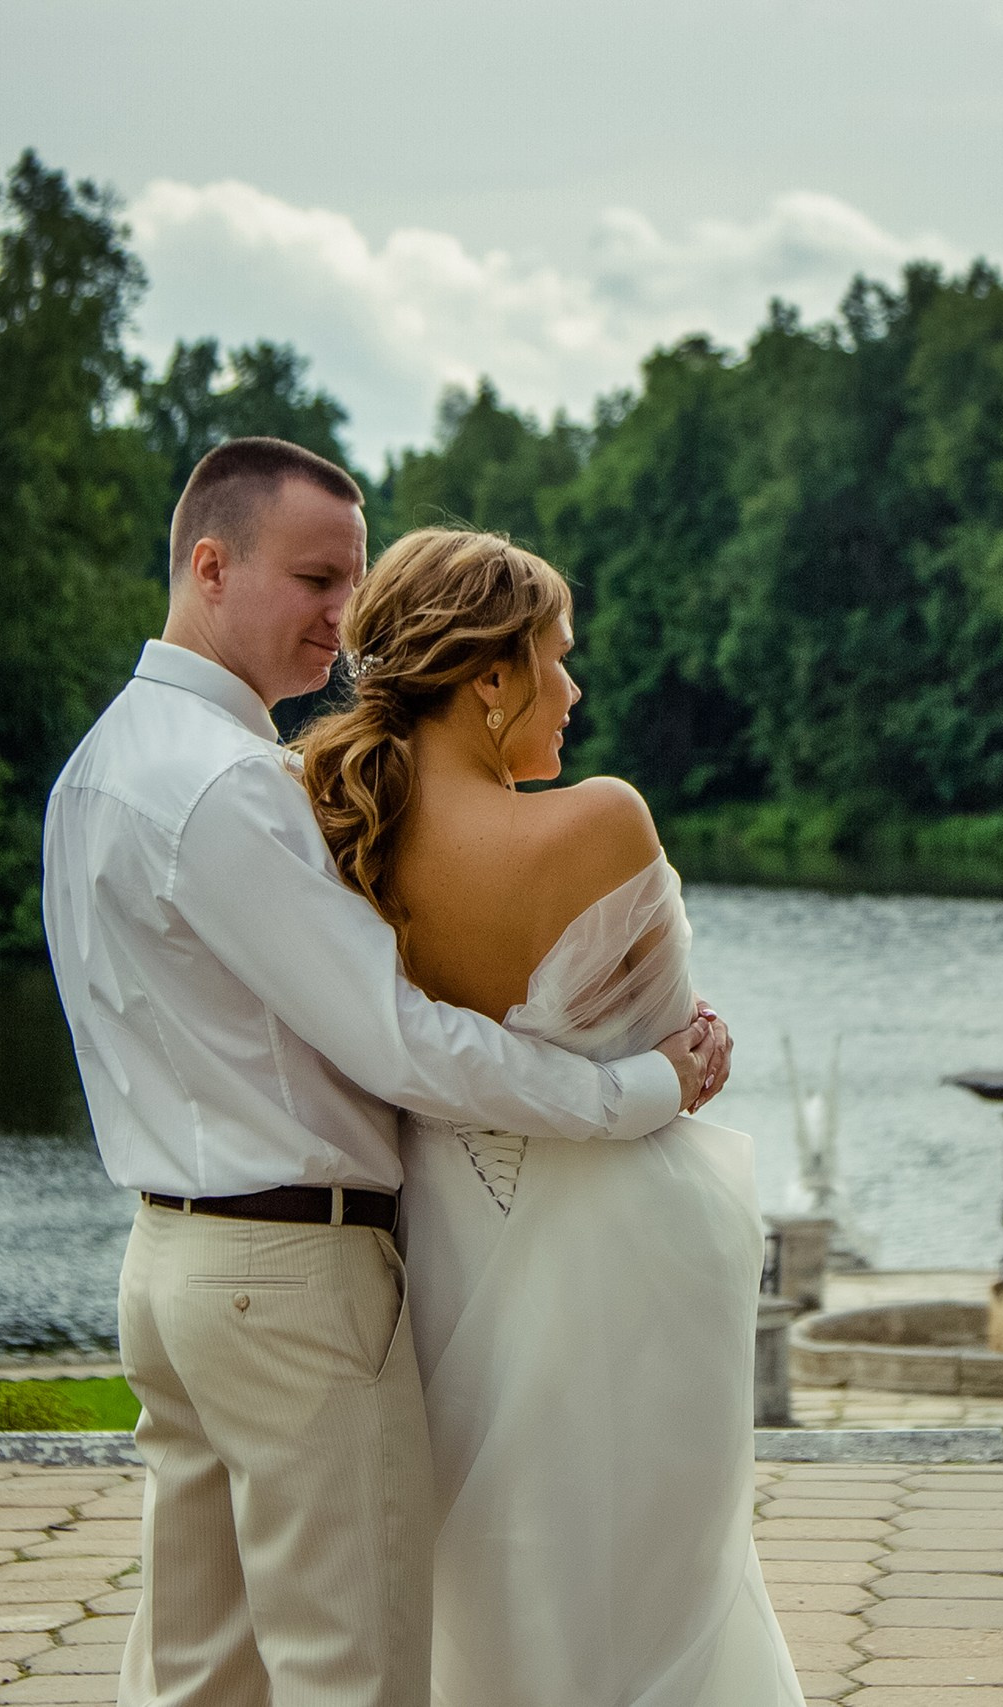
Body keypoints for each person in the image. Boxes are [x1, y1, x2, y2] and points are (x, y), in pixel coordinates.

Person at [41, 439, 731, 1707]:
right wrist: (642, 1091)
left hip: (168, 1268)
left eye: (353, 583)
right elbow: (404, 1044)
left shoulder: (99, 768)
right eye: (313, 579)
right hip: (288, 1283)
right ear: (209, 564)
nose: (341, 620)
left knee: (196, 1677)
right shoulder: (232, 789)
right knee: (347, 1675)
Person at [295, 527, 805, 1707]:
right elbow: (680, 1040)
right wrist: (684, 1046)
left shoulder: (335, 835)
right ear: (487, 678)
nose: (571, 690)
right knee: (662, 1597)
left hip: (443, 1243)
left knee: (494, 1582)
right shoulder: (602, 821)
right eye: (555, 659)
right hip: (635, 1237)